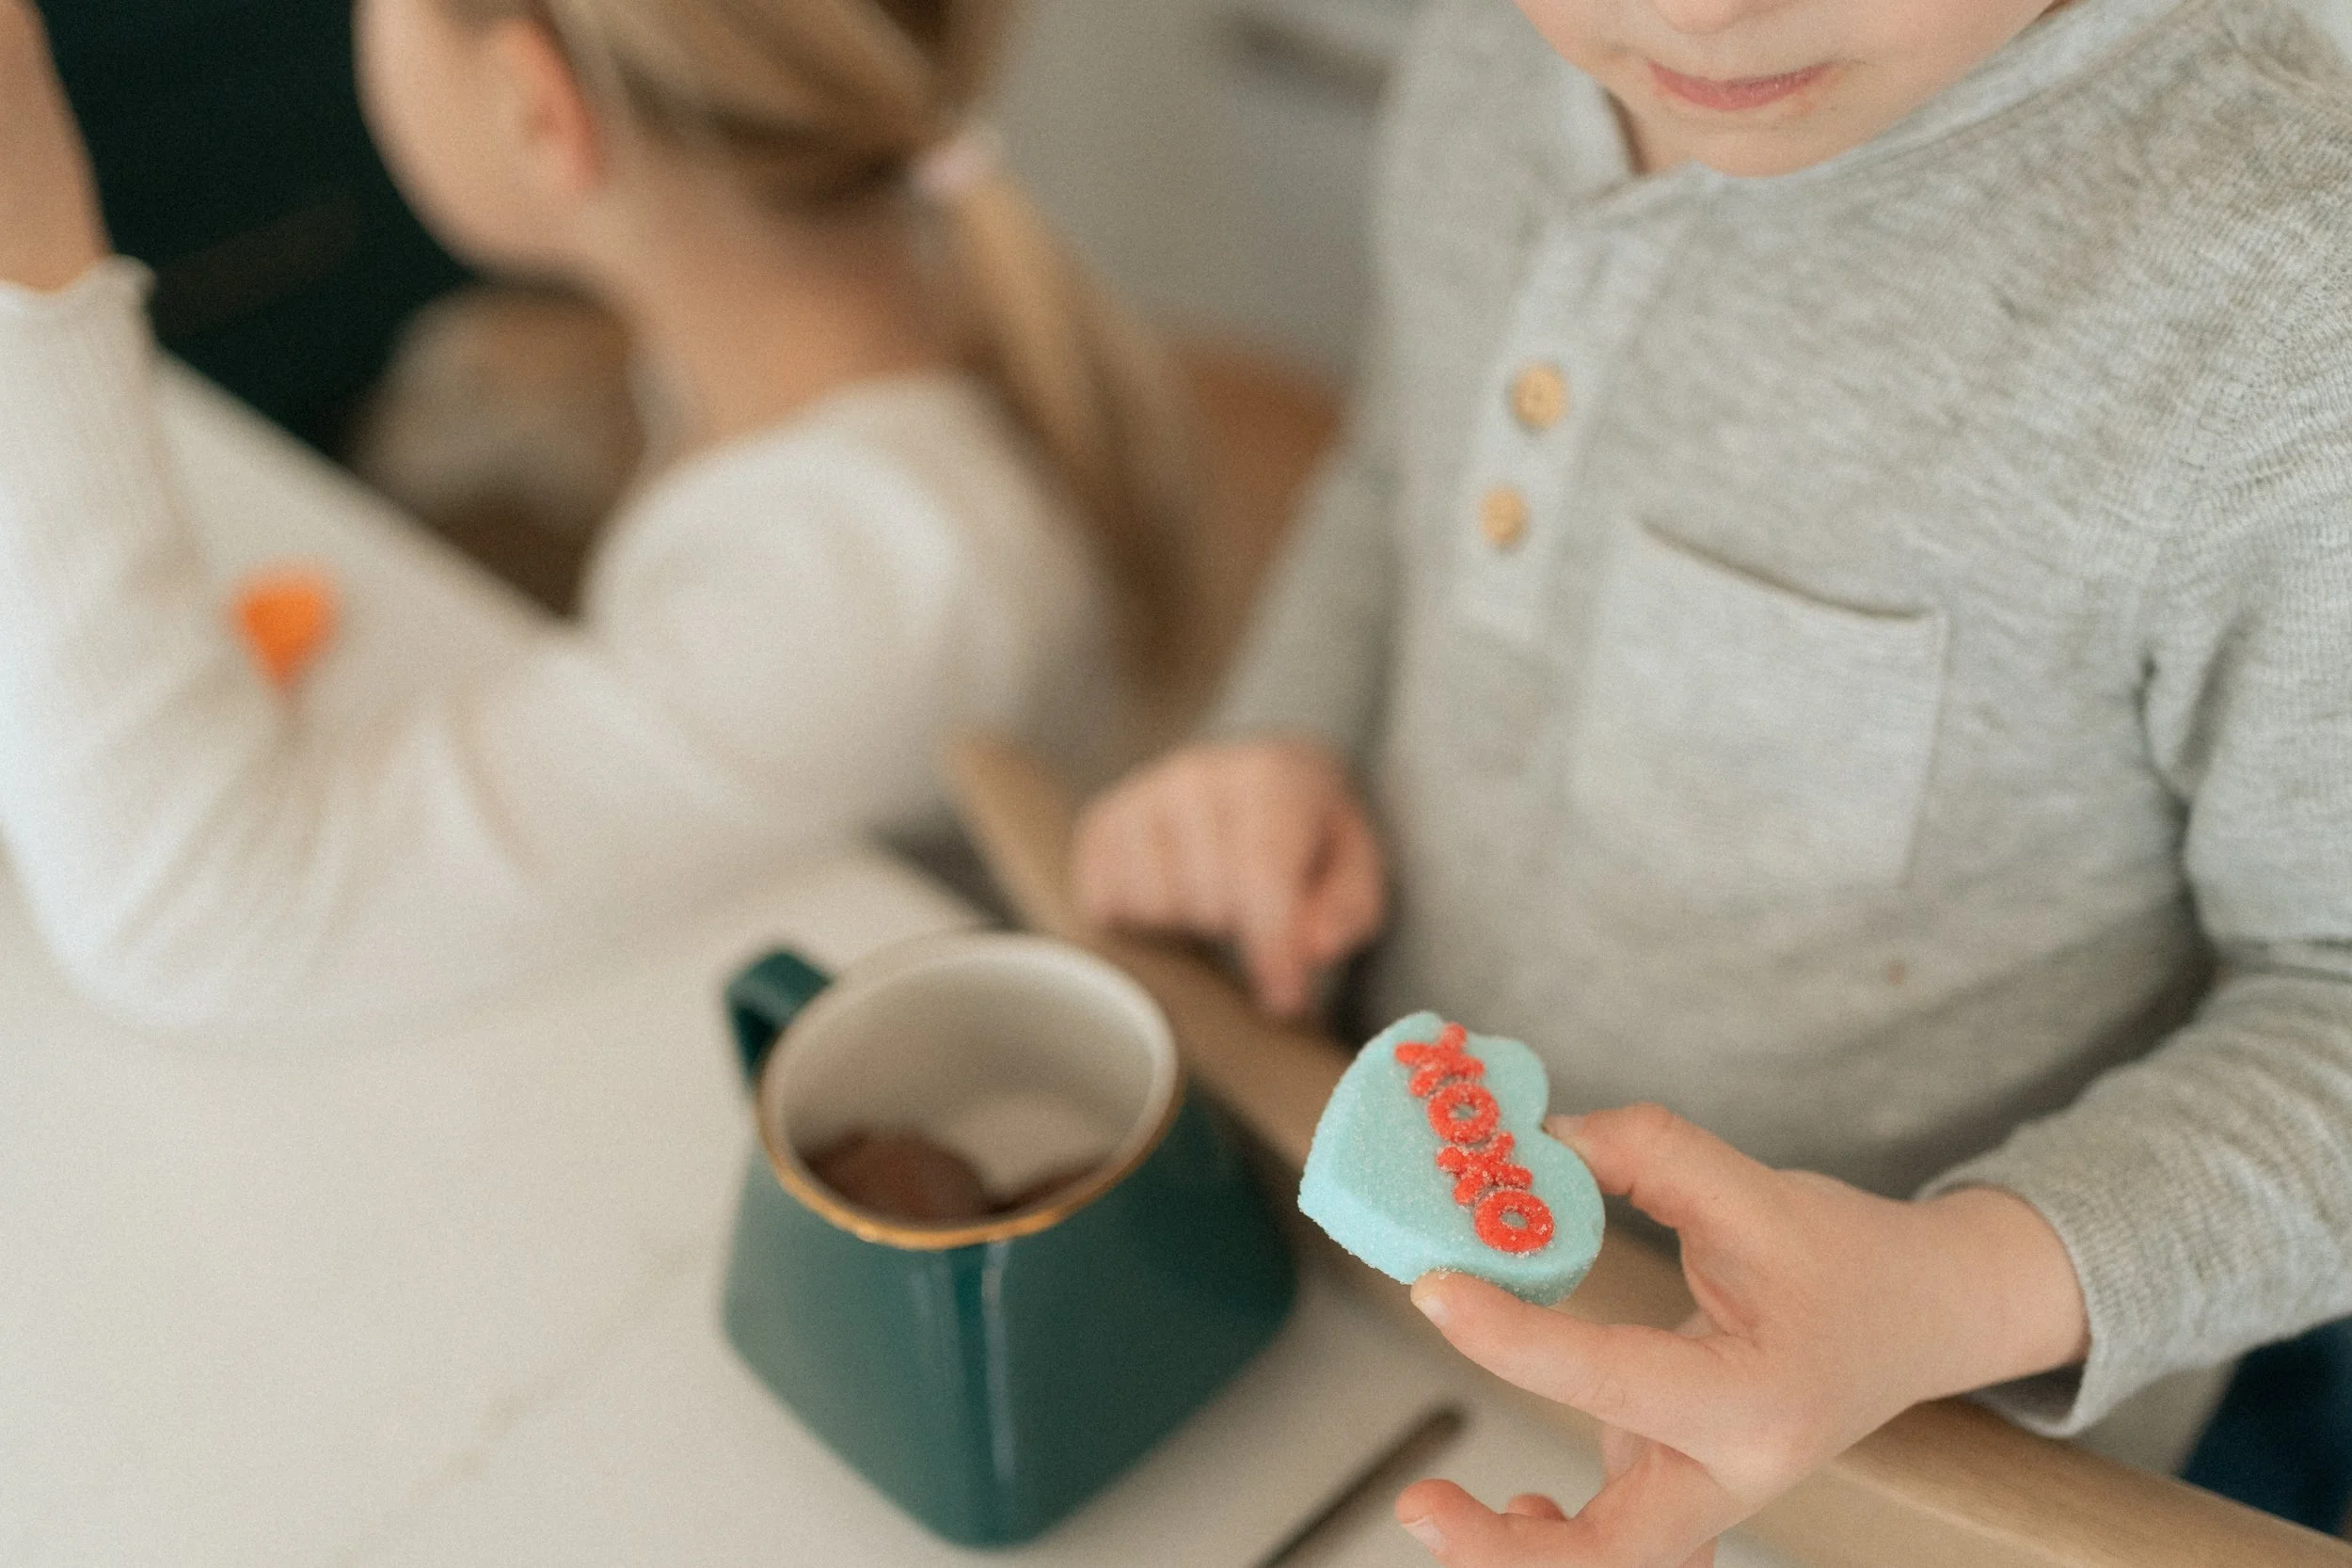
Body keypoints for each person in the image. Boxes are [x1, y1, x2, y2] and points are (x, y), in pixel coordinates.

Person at [1072, 0, 2352, 1562]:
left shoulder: (2293, 313)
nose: (1694, 12)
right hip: (1401, 1304)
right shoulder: (1496, 49)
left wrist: (1956, 1279)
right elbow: (1403, 468)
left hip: (1944, 1472)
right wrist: (1281, 735)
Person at [0, 0, 1187, 1027]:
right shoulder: (813, 360)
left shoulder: (879, 581)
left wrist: (32, 269)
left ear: (537, 111)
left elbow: (198, 917)